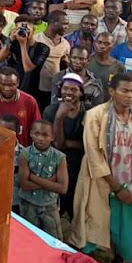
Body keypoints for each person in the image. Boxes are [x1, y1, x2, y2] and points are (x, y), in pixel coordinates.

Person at [70, 74, 132, 263]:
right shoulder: (95, 115)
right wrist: (116, 187)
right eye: (124, 91)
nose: (130, 95)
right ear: (112, 92)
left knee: (124, 232)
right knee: (95, 227)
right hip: (100, 183)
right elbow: (94, 155)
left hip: (129, 186)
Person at [43, 73, 86, 220]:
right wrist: (59, 117)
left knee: (76, 208)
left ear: (81, 92)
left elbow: (87, 144)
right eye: (65, 88)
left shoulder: (88, 113)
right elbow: (57, 145)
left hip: (80, 167)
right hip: (56, 166)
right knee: (56, 209)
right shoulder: (51, 111)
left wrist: (66, 143)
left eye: (74, 89)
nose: (68, 92)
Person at [18, 120, 68, 240]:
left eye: (45, 135)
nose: (40, 138)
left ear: (52, 137)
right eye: (36, 134)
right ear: (31, 134)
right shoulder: (24, 154)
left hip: (49, 205)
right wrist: (50, 181)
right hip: (28, 204)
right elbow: (24, 185)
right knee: (28, 238)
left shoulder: (59, 157)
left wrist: (33, 177)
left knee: (54, 240)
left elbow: (62, 188)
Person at [0, 67, 41, 146]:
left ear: (18, 83)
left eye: (11, 85)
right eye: (3, 84)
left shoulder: (29, 101)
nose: (7, 88)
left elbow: (36, 130)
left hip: (22, 152)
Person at [34, 10, 71, 111]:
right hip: (37, 88)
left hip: (55, 89)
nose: (67, 27)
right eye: (64, 24)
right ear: (53, 23)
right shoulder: (36, 40)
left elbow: (65, 65)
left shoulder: (65, 44)